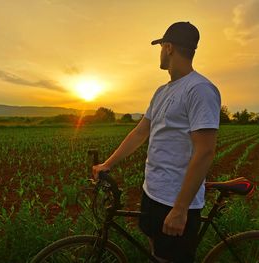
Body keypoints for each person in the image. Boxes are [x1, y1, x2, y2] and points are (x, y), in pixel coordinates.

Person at [92, 21, 221, 262]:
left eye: (161, 46)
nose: (160, 52)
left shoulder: (200, 90)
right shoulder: (162, 91)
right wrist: (108, 163)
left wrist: (181, 209)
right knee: (156, 253)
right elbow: (140, 133)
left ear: (169, 47)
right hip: (153, 192)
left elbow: (205, 152)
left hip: (176, 200)